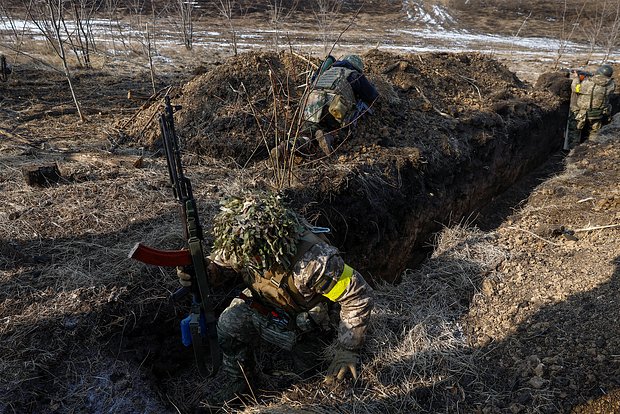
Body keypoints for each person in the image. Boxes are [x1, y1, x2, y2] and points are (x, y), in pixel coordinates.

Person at [178, 191, 374, 404]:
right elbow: (222, 266)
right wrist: (202, 271)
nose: (241, 256)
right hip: (264, 308)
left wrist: (348, 349)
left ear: (270, 243)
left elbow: (357, 295)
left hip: (304, 327)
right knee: (227, 326)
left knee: (311, 374)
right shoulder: (241, 241)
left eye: (250, 253)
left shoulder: (313, 262)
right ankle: (240, 383)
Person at [565, 64, 616, 149]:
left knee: (575, 130)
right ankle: (591, 149)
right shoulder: (611, 86)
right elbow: (601, 84)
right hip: (598, 114)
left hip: (582, 114)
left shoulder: (587, 83)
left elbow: (575, 88)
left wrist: (576, 78)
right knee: (594, 132)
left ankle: (572, 150)